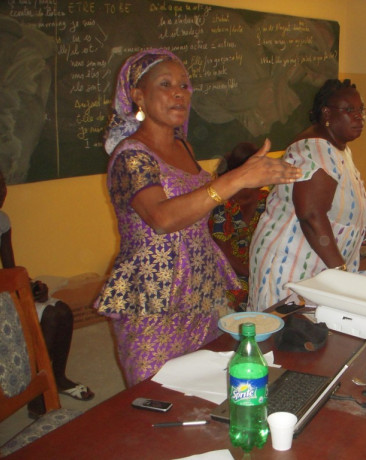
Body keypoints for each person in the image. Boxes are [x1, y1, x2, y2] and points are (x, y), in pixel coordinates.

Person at [94, 49, 301, 387]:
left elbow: (201, 204)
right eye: (165, 84)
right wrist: (234, 179)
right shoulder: (130, 156)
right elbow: (161, 218)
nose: (179, 93)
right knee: (156, 392)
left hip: (200, 289)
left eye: (185, 85)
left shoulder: (184, 147)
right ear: (138, 96)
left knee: (202, 387)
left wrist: (251, 183)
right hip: (153, 296)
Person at [248, 79, 366, 310]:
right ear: (326, 113)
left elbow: (335, 202)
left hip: (318, 265)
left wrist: (359, 226)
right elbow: (311, 215)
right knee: (283, 337)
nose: (359, 117)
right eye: (349, 110)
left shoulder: (337, 147)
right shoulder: (315, 149)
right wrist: (341, 272)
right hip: (291, 264)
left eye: (361, 110)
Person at [0, 170, 93, 417]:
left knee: (60, 312)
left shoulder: (2, 220)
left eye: (2, 185)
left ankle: (56, 379)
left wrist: (30, 286)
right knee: (46, 317)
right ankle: (36, 393)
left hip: (4, 292)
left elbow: (10, 268)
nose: (1, 193)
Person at [208, 142, 269, 310]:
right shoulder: (222, 204)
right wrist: (255, 276)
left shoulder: (266, 200)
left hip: (255, 272)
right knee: (246, 299)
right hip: (227, 274)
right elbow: (223, 254)